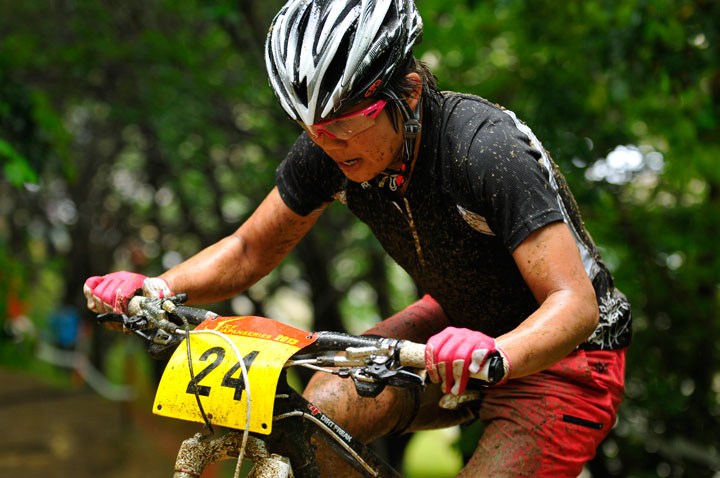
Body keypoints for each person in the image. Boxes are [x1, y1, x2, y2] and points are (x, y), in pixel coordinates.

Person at [84, 0, 632, 476]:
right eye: (312, 130)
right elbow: (250, 249)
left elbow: (574, 303)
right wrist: (157, 287)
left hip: (570, 360)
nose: (329, 144)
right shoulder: (331, 153)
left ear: (409, 93)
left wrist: (497, 351)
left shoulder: (484, 150)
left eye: (345, 125)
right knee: (315, 416)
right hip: (452, 330)